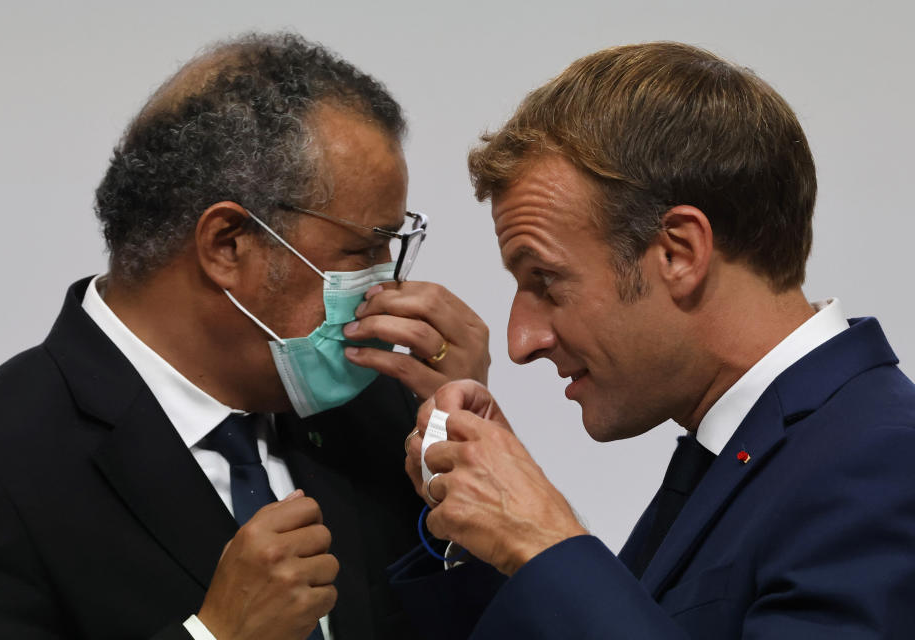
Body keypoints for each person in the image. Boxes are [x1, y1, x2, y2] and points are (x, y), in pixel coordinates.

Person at [0, 33, 490, 640]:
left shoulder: (381, 413)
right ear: (228, 245)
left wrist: (479, 477)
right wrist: (214, 636)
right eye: (362, 248)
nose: (384, 290)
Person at [392, 41, 915, 638]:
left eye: (546, 280)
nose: (521, 341)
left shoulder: (886, 465)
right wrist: (489, 534)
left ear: (678, 253)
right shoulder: (754, 452)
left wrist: (544, 542)